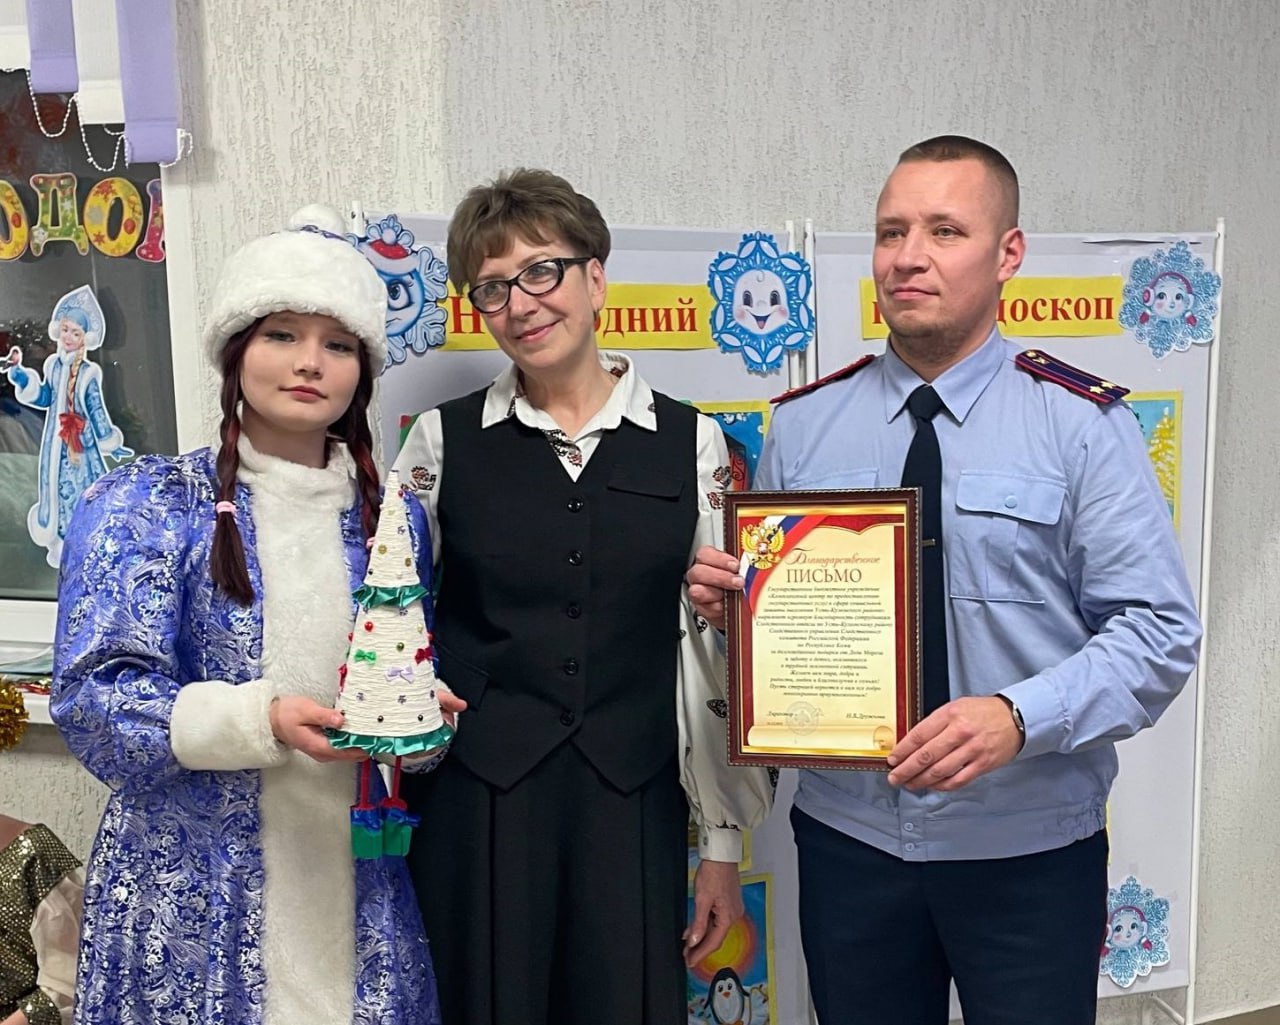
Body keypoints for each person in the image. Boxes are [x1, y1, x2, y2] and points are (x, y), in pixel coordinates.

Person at [687, 136, 1202, 1025]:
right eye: (891, 232)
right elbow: (809, 635)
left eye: (945, 231)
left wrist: (1017, 716)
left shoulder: (1080, 425)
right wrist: (746, 618)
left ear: (1008, 253)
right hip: (851, 846)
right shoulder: (805, 426)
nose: (908, 256)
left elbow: (1159, 632)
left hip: (1028, 852)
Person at [50, 214, 462, 1025]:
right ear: (236, 349)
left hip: (355, 887)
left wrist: (420, 720)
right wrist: (257, 719)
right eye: (282, 334)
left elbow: (405, 666)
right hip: (196, 899)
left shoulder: (393, 520)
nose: (310, 362)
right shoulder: (151, 503)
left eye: (337, 344)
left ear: (362, 371)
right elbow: (94, 701)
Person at [393, 168, 773, 1025]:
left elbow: (716, 652)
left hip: (631, 796)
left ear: (595, 278)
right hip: (479, 797)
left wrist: (720, 845)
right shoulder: (441, 441)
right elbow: (388, 616)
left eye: (542, 271)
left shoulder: (693, 441)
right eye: (492, 287)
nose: (521, 303)